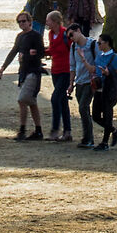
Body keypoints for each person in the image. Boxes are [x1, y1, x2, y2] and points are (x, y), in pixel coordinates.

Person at [0, 12, 46, 140]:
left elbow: (41, 53)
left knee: (22, 100)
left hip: (34, 72)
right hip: (23, 72)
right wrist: (3, 67)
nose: (22, 24)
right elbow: (13, 52)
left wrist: (29, 55)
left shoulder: (36, 36)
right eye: (19, 22)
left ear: (30, 22)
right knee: (32, 103)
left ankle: (22, 130)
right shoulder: (20, 37)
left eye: (24, 21)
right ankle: (38, 131)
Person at [45, 11, 74, 140]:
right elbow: (52, 50)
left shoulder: (65, 33)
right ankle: (67, 132)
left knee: (55, 98)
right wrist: (40, 52)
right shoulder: (51, 34)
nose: (47, 23)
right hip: (55, 71)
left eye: (48, 20)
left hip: (66, 71)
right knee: (62, 101)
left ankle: (55, 130)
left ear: (55, 21)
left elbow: (73, 49)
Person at [91, 34, 117, 150]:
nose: (98, 45)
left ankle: (105, 142)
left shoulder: (114, 57)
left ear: (107, 43)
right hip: (99, 89)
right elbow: (95, 69)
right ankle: (114, 131)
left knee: (107, 115)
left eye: (100, 43)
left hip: (108, 90)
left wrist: (109, 74)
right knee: (95, 116)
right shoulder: (100, 55)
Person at [70, 26, 99, 147]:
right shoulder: (73, 47)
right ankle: (88, 138)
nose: (71, 38)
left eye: (72, 35)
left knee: (83, 107)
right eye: (68, 37)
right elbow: (72, 67)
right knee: (84, 110)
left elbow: (99, 62)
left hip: (90, 82)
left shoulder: (92, 44)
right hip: (79, 82)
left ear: (78, 31)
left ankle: (88, 139)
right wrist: (70, 84)